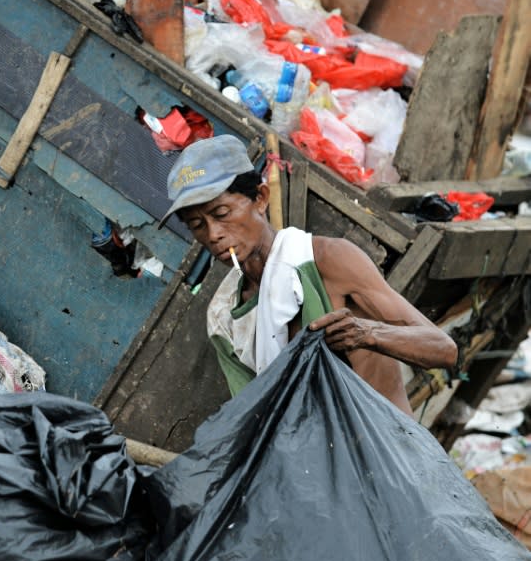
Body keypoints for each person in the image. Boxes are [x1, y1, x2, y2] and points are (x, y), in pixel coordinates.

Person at [159, 134, 458, 415]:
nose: (213, 234)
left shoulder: (329, 260)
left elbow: (443, 350)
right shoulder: (225, 318)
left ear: (261, 199)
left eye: (222, 214)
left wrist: (367, 334)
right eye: (197, 225)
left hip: (388, 454)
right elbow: (255, 417)